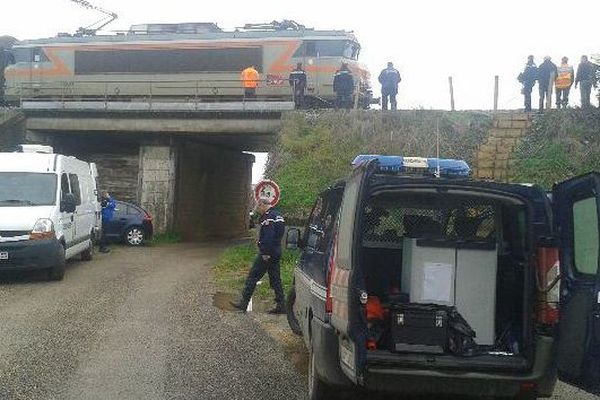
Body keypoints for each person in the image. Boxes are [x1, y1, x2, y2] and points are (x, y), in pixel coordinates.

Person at [231, 199, 286, 314]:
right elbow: (279, 234)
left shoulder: (268, 217)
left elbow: (268, 236)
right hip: (276, 251)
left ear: (262, 205)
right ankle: (281, 304)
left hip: (268, 252)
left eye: (258, 207)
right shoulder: (278, 215)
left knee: (253, 276)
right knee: (275, 278)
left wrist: (265, 252)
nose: (258, 210)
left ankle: (243, 303)